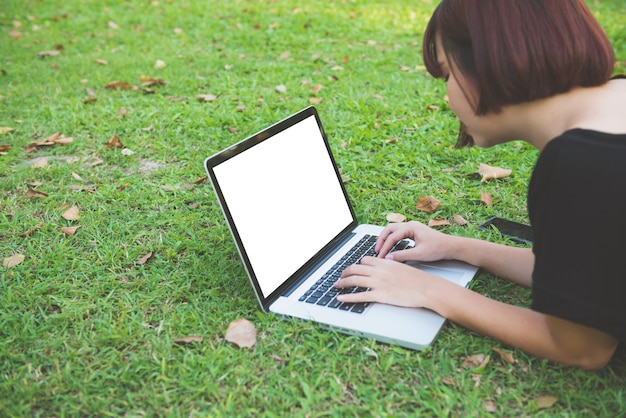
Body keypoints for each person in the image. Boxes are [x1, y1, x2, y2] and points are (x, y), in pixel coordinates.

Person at [334, 0, 626, 370]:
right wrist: (457, 247)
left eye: (447, 75)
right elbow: (586, 276)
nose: (447, 95)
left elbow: (581, 346)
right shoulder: (615, 106)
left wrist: (428, 290)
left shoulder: (583, 162)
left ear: (490, 63)